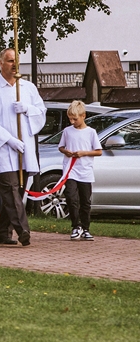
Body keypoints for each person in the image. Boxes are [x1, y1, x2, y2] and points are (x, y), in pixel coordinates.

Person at [0, 48, 46, 247]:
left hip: (24, 147)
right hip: (2, 147)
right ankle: (23, 229)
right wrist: (9, 140)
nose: (14, 65)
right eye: (9, 61)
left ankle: (2, 232)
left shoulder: (28, 88)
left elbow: (41, 112)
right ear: (0, 63)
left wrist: (27, 109)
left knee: (19, 190)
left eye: (16, 61)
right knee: (10, 188)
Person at [58, 100, 102, 241]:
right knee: (71, 197)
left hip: (85, 171)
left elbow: (98, 151)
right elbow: (61, 147)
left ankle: (86, 228)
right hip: (70, 170)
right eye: (70, 119)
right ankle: (76, 226)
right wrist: (66, 151)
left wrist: (84, 153)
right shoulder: (67, 131)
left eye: (75, 119)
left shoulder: (91, 132)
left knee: (85, 201)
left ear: (83, 116)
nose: (72, 122)